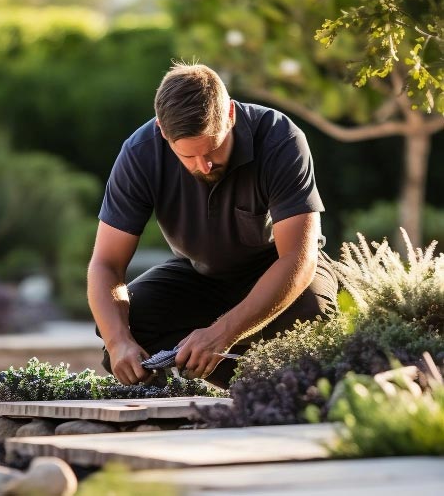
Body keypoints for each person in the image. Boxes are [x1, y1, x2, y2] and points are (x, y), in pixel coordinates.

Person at [87, 62, 338, 388]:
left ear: (230, 115)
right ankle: (259, 385)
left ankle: (277, 386)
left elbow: (299, 259)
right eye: (188, 157)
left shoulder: (280, 138)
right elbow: (106, 264)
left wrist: (223, 333)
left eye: (213, 149)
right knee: (121, 326)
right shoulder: (140, 154)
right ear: (164, 132)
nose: (204, 166)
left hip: (277, 268)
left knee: (314, 311)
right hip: (199, 276)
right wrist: (119, 341)